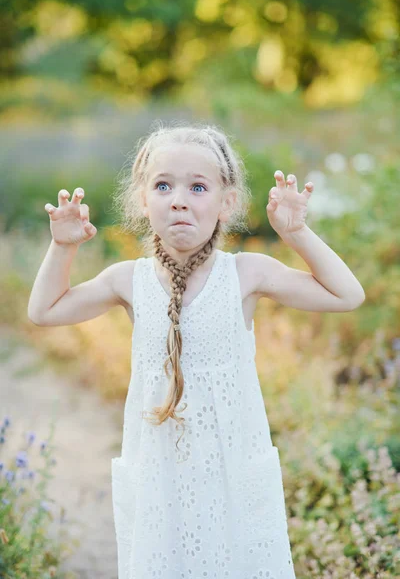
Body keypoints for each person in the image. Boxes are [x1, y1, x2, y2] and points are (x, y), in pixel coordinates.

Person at [28, 121, 365, 579]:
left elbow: (348, 295)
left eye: (198, 186)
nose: (179, 199)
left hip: (230, 467)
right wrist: (61, 247)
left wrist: (297, 234)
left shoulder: (246, 274)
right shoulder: (128, 279)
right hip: (159, 470)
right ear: (144, 201)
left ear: (227, 204)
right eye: (163, 185)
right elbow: (44, 310)